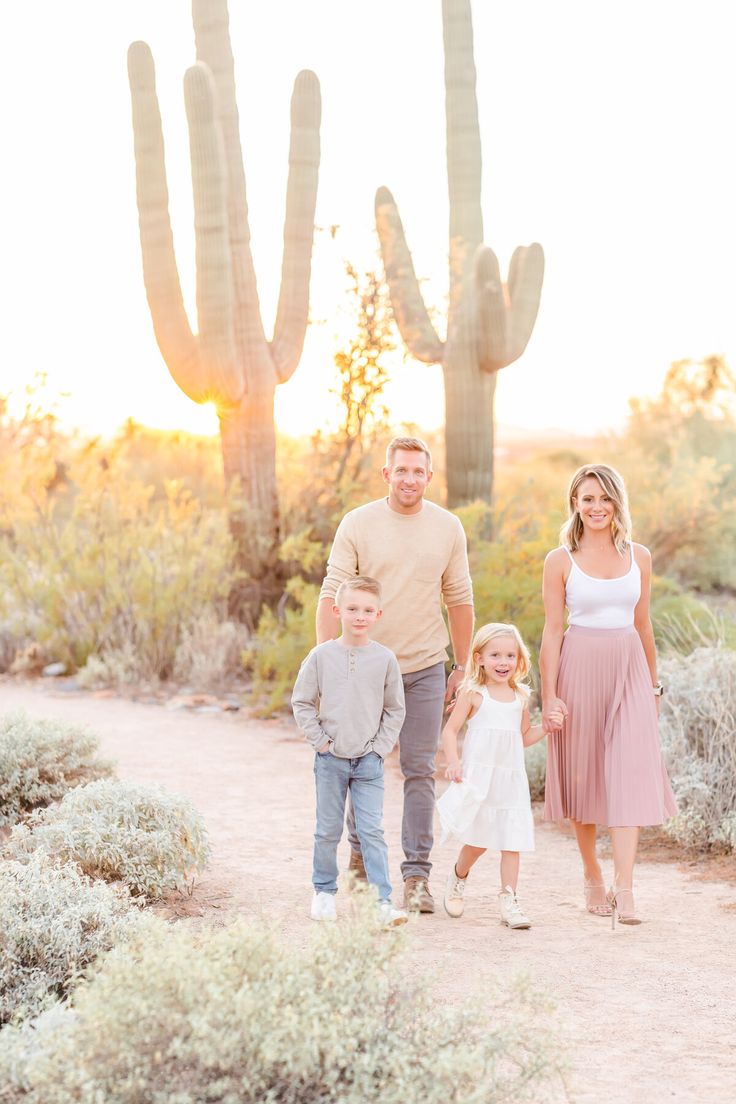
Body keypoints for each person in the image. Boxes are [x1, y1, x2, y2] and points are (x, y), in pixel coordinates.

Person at [317, 437, 474, 913]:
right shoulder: (358, 523)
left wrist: (463, 666)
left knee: (420, 770)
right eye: (400, 470)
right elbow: (331, 593)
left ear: (430, 476)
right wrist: (327, 662)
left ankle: (418, 878)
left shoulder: (447, 527)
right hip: (364, 667)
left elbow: (460, 598)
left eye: (417, 471)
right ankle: (363, 863)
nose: (409, 479)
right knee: (358, 764)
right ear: (386, 474)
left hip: (425, 666)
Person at [540, 463, 677, 925]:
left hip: (629, 669)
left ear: (617, 502)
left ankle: (626, 887)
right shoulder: (560, 560)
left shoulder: (640, 556)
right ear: (575, 505)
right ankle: (592, 874)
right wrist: (550, 695)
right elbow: (552, 632)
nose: (596, 507)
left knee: (629, 772)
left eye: (604, 498)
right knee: (584, 778)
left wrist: (654, 684)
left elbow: (643, 625)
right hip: (579, 668)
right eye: (587, 499)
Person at [292, 576, 408, 927]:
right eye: (353, 609)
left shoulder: (385, 659)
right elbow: (302, 702)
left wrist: (379, 749)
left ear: (378, 614)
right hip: (330, 760)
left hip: (369, 763)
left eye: (368, 610)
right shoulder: (321, 656)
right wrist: (322, 742)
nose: (360, 616)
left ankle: (382, 901)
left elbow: (395, 709)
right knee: (328, 829)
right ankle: (324, 892)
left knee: (371, 831)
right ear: (337, 610)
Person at [438, 623, 561, 929]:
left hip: (510, 779)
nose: (503, 662)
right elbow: (450, 731)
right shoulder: (473, 693)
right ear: (479, 658)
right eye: (495, 655)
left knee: (511, 841)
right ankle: (458, 876)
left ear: (518, 660)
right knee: (477, 842)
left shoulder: (520, 696)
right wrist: (453, 762)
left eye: (509, 655)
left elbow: (522, 736)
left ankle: (509, 900)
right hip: (480, 778)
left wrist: (545, 728)